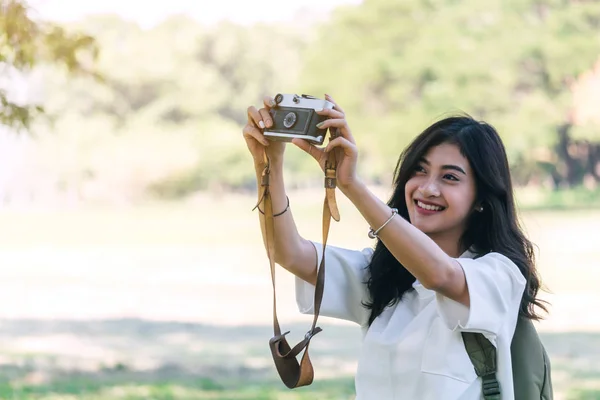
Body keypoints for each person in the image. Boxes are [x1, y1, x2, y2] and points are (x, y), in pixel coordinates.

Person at [243, 94, 547, 400]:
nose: (428, 188)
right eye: (420, 170)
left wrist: (350, 184)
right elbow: (288, 252)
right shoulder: (385, 277)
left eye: (450, 177)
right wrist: (269, 165)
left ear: (481, 198)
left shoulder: (499, 274)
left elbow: (441, 276)